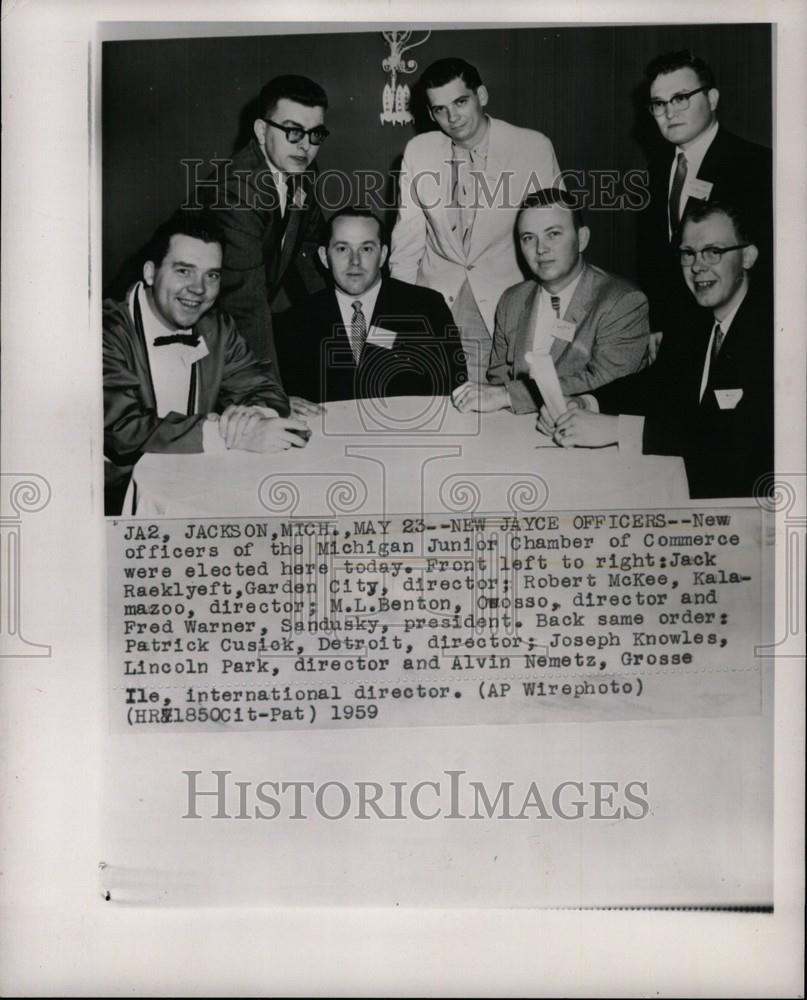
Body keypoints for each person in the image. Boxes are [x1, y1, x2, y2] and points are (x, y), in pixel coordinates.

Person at [542, 201, 773, 499]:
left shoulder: (774, 335)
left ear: (748, 256)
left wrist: (617, 430)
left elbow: (731, 441)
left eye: (713, 252)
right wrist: (587, 403)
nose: (698, 266)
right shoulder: (692, 322)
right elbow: (655, 385)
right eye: (688, 253)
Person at [103, 212, 311, 514]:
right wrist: (227, 435)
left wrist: (255, 415)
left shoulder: (216, 327)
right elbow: (123, 430)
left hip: (195, 482)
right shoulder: (102, 331)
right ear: (150, 273)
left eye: (211, 275)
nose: (199, 289)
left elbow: (263, 386)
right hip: (110, 498)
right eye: (184, 271)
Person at [389, 57, 561, 381]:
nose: (452, 117)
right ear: (430, 113)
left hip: (505, 309)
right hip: (435, 308)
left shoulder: (532, 147)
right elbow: (407, 244)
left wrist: (553, 311)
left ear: (481, 96)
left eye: (460, 102)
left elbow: (556, 237)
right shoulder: (418, 152)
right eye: (440, 109)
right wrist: (401, 316)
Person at [453, 188, 649, 414]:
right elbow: (498, 378)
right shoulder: (512, 300)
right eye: (528, 238)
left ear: (582, 238)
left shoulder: (623, 302)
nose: (540, 249)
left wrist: (511, 395)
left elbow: (607, 382)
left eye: (553, 234)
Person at [198, 75, 330, 367]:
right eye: (293, 131)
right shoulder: (234, 192)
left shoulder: (300, 168)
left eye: (315, 134)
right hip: (178, 330)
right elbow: (245, 307)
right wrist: (271, 397)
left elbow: (308, 249)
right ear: (261, 131)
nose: (305, 146)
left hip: (228, 327)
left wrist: (340, 326)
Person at [639, 50, 772, 329]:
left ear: (712, 99)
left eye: (681, 98)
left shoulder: (756, 165)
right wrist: (658, 323)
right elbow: (658, 258)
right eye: (659, 104)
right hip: (675, 330)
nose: (670, 113)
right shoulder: (656, 172)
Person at [275, 208, 463, 404]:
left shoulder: (427, 308)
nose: (354, 262)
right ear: (324, 257)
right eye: (342, 249)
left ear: (382, 255)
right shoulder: (294, 322)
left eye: (366, 249)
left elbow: (454, 389)